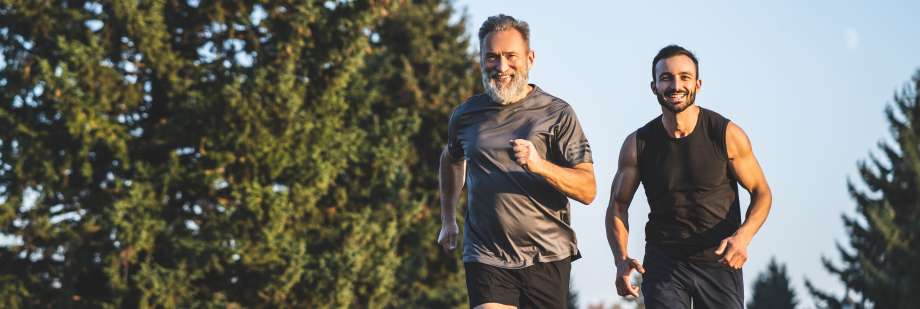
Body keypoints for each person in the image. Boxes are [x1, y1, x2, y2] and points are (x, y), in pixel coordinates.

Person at [437, 14, 597, 309]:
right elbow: (451, 159)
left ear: (530, 58)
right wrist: (448, 219)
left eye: (511, 56)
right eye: (492, 57)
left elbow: (587, 189)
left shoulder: (557, 113)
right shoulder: (465, 116)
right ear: (481, 60)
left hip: (547, 255)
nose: (502, 67)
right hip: (486, 254)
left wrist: (539, 165)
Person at [605, 45, 773, 309]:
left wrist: (743, 237)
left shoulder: (726, 134)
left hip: (718, 261)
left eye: (684, 77)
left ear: (698, 83)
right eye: (666, 78)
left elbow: (762, 192)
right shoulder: (638, 144)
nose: (676, 85)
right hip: (664, 262)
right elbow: (618, 204)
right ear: (653, 87)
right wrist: (621, 259)